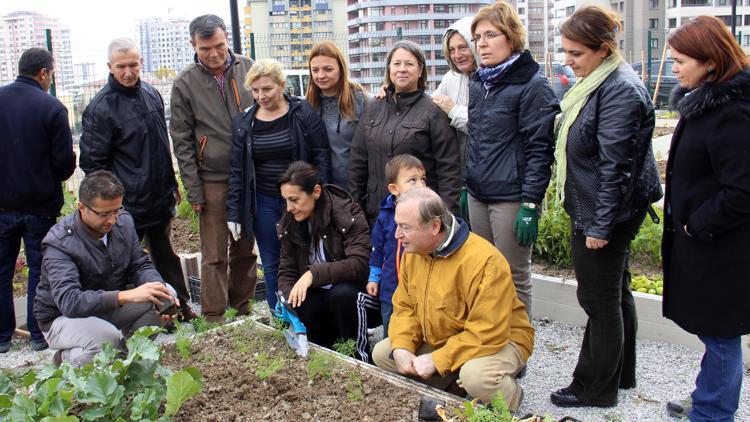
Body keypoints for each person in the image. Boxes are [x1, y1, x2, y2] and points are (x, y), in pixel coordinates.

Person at [549, 6, 662, 408]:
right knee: (616, 294)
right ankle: (622, 373)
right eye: (565, 51)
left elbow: (616, 168)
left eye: (575, 53)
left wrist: (599, 227)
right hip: (602, 207)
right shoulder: (599, 82)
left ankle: (593, 388)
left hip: (606, 213)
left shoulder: (619, 90)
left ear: (603, 50)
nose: (568, 60)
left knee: (598, 301)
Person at [372, 188, 534, 412]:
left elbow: (488, 331)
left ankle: (511, 397)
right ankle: (453, 386)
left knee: (475, 377)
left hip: (502, 339)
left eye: (405, 227)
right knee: (384, 354)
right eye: (398, 225)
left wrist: (438, 359)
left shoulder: (485, 261)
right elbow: (405, 307)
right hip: (449, 338)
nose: (397, 235)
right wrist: (402, 346)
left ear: (435, 226)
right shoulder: (414, 252)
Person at [661, 16, 750, 421]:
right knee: (713, 331)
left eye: (681, 60)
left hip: (721, 247)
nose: (674, 68)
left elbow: (743, 189)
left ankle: (714, 412)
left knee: (721, 334)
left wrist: (698, 223)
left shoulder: (731, 113)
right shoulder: (705, 102)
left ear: (711, 62)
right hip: (704, 244)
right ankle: (708, 396)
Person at [79, 38, 196, 321]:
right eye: (121, 66)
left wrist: (172, 183)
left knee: (165, 255)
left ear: (141, 63)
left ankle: (179, 308)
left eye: (133, 64)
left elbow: (160, 144)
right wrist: (112, 206)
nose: (128, 71)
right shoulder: (100, 109)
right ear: (110, 67)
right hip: (127, 205)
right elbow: (94, 164)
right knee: (121, 264)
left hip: (158, 196)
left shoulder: (151, 93)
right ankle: (120, 317)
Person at [465, 2, 559, 315]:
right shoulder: (480, 82)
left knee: (514, 277)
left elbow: (539, 150)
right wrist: (468, 185)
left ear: (512, 37)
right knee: (485, 275)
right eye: (477, 37)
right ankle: (492, 343)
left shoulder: (533, 86)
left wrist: (530, 204)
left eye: (490, 35)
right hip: (479, 195)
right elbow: (477, 140)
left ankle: (517, 356)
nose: (482, 43)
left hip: (510, 199)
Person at [34, 171, 179, 367]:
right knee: (106, 338)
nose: (112, 220)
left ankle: (127, 363)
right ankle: (66, 360)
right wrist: (123, 296)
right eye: (104, 214)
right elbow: (69, 301)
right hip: (61, 318)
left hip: (104, 306)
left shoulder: (124, 222)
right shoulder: (60, 242)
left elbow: (140, 264)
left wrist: (158, 290)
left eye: (116, 210)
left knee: (164, 294)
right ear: (82, 208)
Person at [170, 15, 257, 323]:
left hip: (248, 176)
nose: (214, 53)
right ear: (194, 45)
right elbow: (181, 140)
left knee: (246, 249)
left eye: (219, 45)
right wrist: (194, 189)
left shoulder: (248, 68)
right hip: (212, 179)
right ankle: (214, 316)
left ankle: (243, 307)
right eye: (206, 48)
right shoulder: (185, 83)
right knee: (215, 253)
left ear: (227, 40)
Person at [227, 59, 331, 310]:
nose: (260, 96)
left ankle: (310, 317)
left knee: (306, 259)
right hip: (264, 201)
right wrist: (234, 212)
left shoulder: (302, 113)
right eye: (255, 90)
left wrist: (322, 195)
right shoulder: (244, 123)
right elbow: (237, 170)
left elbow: (321, 154)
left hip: (300, 200)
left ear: (281, 85)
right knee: (273, 263)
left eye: (267, 89)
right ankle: (281, 317)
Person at [0, 48, 76, 353]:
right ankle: (36, 334)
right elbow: (62, 165)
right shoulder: (52, 108)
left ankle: (2, 337)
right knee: (39, 269)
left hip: (2, 204)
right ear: (44, 73)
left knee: (2, 271)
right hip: (39, 206)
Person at [348, 40, 460, 224]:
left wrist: (446, 216)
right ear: (389, 69)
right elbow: (357, 164)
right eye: (396, 63)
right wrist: (356, 209)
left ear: (420, 70)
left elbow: (449, 169)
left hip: (420, 214)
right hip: (376, 212)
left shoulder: (433, 112)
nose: (402, 69)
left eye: (409, 64)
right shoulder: (373, 108)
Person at [277, 161, 373, 362]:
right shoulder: (291, 222)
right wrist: (287, 301)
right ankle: (324, 356)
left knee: (341, 295)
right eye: (285, 200)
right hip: (322, 294)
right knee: (300, 299)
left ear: (316, 191)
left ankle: (357, 359)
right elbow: (286, 271)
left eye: (294, 200)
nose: (289, 208)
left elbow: (360, 264)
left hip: (359, 294)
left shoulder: (346, 213)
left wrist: (313, 274)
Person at [366, 154, 426, 337]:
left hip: (419, 287)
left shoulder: (427, 212)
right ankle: (389, 361)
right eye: (412, 180)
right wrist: (374, 277)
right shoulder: (385, 217)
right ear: (394, 188)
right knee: (391, 330)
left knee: (418, 328)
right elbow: (377, 248)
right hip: (391, 287)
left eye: (423, 179)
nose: (421, 185)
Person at [432, 16, 480, 221]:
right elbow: (432, 105)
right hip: (458, 174)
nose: (457, 55)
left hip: (486, 176)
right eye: (452, 50)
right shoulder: (451, 78)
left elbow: (482, 126)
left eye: (463, 47)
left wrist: (453, 110)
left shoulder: (489, 77)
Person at [306, 41, 368, 189]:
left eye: (328, 69)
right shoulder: (307, 105)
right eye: (315, 70)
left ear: (341, 69)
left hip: (354, 186)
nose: (321, 75)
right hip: (319, 187)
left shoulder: (361, 100)